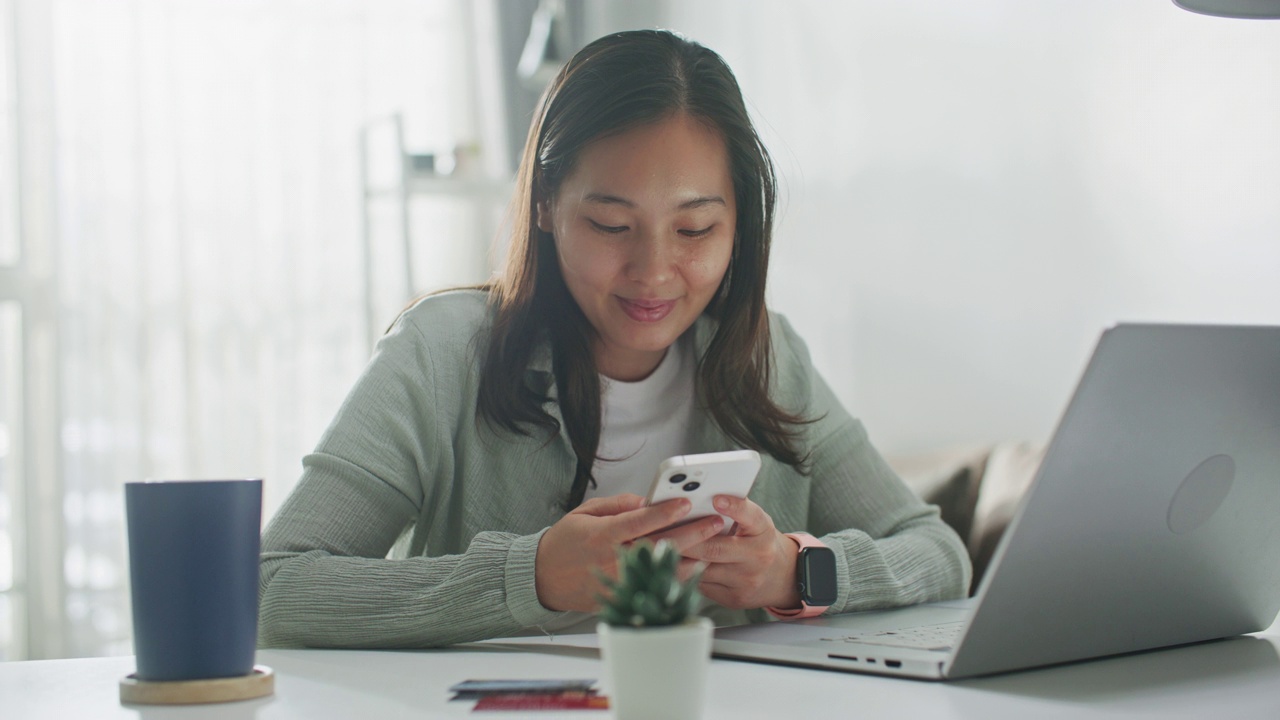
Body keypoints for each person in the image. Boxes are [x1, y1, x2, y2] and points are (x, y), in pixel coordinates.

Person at [258, 29, 970, 649]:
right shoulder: (442, 353)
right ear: (545, 205)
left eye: (695, 230)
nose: (654, 272)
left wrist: (795, 570)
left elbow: (938, 553)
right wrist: (531, 576)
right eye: (609, 224)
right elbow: (272, 586)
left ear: (739, 229)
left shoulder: (768, 357)